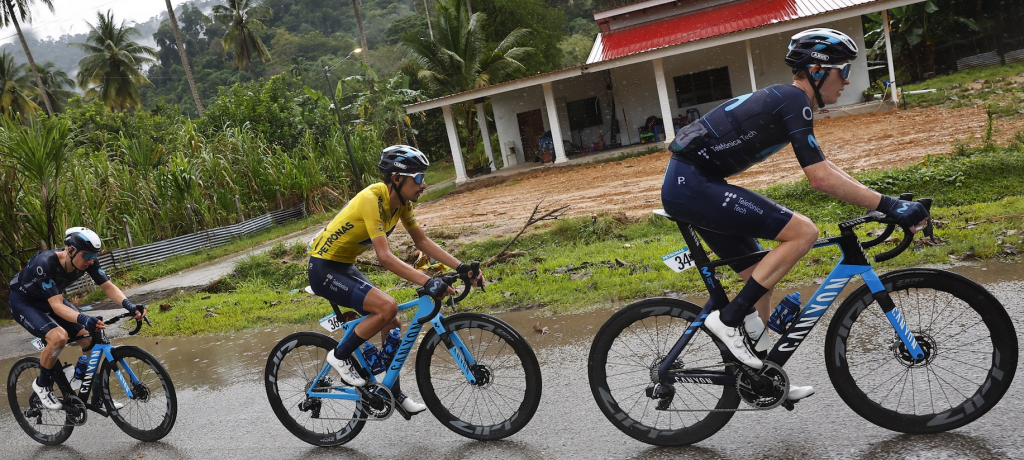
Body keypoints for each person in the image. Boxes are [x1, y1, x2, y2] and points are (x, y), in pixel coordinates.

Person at [660, 28, 928, 400]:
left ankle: (761, 377)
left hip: (695, 184)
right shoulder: (792, 100)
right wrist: (888, 205)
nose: (846, 80)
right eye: (842, 71)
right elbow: (819, 179)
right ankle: (728, 319)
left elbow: (826, 166)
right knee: (803, 232)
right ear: (817, 71)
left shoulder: (790, 102)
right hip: (692, 186)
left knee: (760, 280)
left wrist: (886, 201)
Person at [308, 145, 484, 414]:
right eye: (417, 177)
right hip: (324, 268)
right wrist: (426, 281)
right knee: (387, 306)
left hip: (344, 266)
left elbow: (422, 241)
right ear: (396, 178)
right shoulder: (372, 199)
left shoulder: (402, 204)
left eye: (423, 177)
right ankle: (339, 356)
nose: (423, 184)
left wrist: (462, 267)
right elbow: (385, 257)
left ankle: (392, 392)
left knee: (392, 321)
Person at [8, 227, 147, 410]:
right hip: (25, 302)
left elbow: (108, 287)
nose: (90, 261)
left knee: (90, 337)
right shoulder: (45, 263)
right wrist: (83, 318)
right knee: (58, 337)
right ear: (71, 250)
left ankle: (99, 397)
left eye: (94, 257)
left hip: (50, 298)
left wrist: (130, 305)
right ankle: (42, 385)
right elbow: (57, 306)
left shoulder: (89, 261)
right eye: (87, 256)